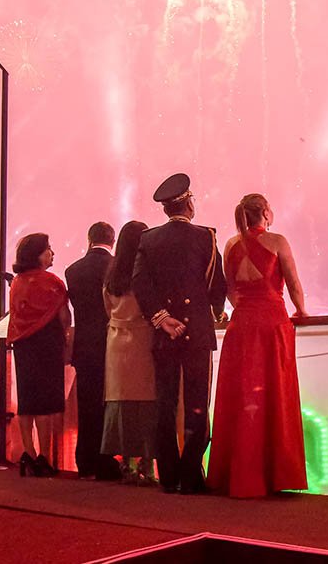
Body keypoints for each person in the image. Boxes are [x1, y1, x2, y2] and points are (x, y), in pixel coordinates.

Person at [207, 194, 308, 497]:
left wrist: (244, 308)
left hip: (241, 325)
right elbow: (293, 284)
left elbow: (230, 290)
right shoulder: (278, 242)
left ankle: (238, 474)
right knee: (275, 393)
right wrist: (301, 310)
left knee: (242, 396)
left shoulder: (230, 245)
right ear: (265, 212)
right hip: (273, 323)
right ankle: (275, 474)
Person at [132, 173, 227, 494]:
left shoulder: (148, 240)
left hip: (164, 333)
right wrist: (217, 314)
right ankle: (191, 476)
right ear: (189, 204)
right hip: (197, 330)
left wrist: (161, 318)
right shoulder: (206, 238)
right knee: (197, 404)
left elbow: (140, 283)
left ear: (165, 208)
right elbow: (217, 286)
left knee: (165, 404)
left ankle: (169, 475)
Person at [7, 233, 71, 477]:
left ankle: (28, 452)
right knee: (44, 403)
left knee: (27, 401)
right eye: (48, 249)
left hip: (23, 345)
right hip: (47, 345)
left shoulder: (17, 282)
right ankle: (44, 457)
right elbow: (64, 317)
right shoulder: (52, 282)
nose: (52, 253)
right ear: (37, 254)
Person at [65, 221, 122, 480]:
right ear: (112, 241)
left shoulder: (72, 270)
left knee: (87, 405)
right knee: (108, 403)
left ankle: (84, 461)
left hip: (84, 344)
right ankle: (105, 460)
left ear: (89, 240)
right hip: (111, 342)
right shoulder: (116, 266)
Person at [100, 220, 157, 484]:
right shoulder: (146, 273)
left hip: (116, 344)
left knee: (121, 403)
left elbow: (108, 310)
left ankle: (128, 464)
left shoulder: (112, 276)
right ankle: (148, 465)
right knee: (147, 402)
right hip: (143, 340)